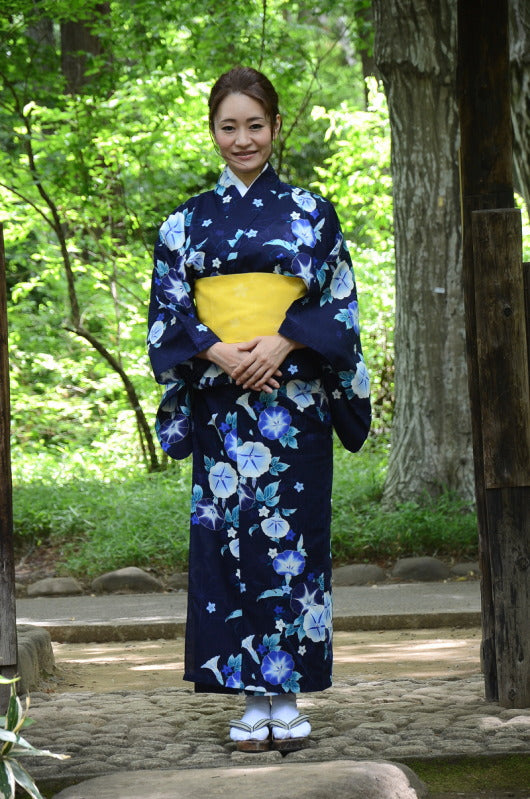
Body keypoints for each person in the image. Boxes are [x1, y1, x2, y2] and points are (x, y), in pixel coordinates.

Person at [147, 66, 371, 752]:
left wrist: (281, 341)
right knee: (228, 549)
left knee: (293, 549)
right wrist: (218, 353)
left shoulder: (312, 212)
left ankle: (289, 693)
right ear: (212, 131)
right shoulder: (184, 223)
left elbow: (335, 306)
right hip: (223, 411)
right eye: (228, 126)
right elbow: (167, 318)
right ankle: (250, 699)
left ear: (275, 127)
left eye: (254, 124)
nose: (241, 139)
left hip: (292, 406)